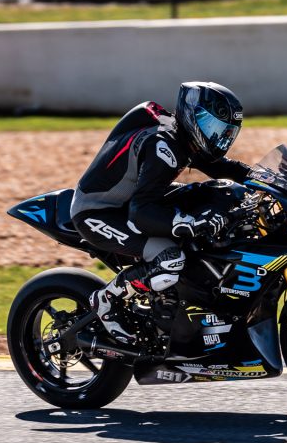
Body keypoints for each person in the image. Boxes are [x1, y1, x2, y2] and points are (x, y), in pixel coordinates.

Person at [70, 81, 251, 345]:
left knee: (221, 191)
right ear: (193, 115)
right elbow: (140, 213)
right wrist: (189, 222)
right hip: (99, 212)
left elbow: (223, 169)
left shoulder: (184, 137)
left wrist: (266, 179)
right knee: (170, 258)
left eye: (226, 133)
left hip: (134, 203)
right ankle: (106, 299)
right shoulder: (163, 146)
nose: (219, 138)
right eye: (213, 128)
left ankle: (179, 303)